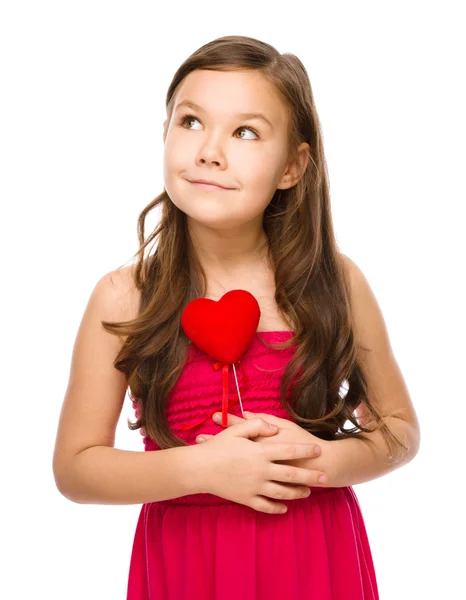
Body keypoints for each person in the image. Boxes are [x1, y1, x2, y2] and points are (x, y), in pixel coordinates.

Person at [52, 35, 421, 600]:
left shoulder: (336, 284)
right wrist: (201, 471)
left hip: (314, 561)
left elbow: (400, 431)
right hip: (187, 564)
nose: (209, 151)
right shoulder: (125, 296)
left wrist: (320, 460)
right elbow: (75, 468)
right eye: (191, 121)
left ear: (293, 167)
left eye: (245, 132)